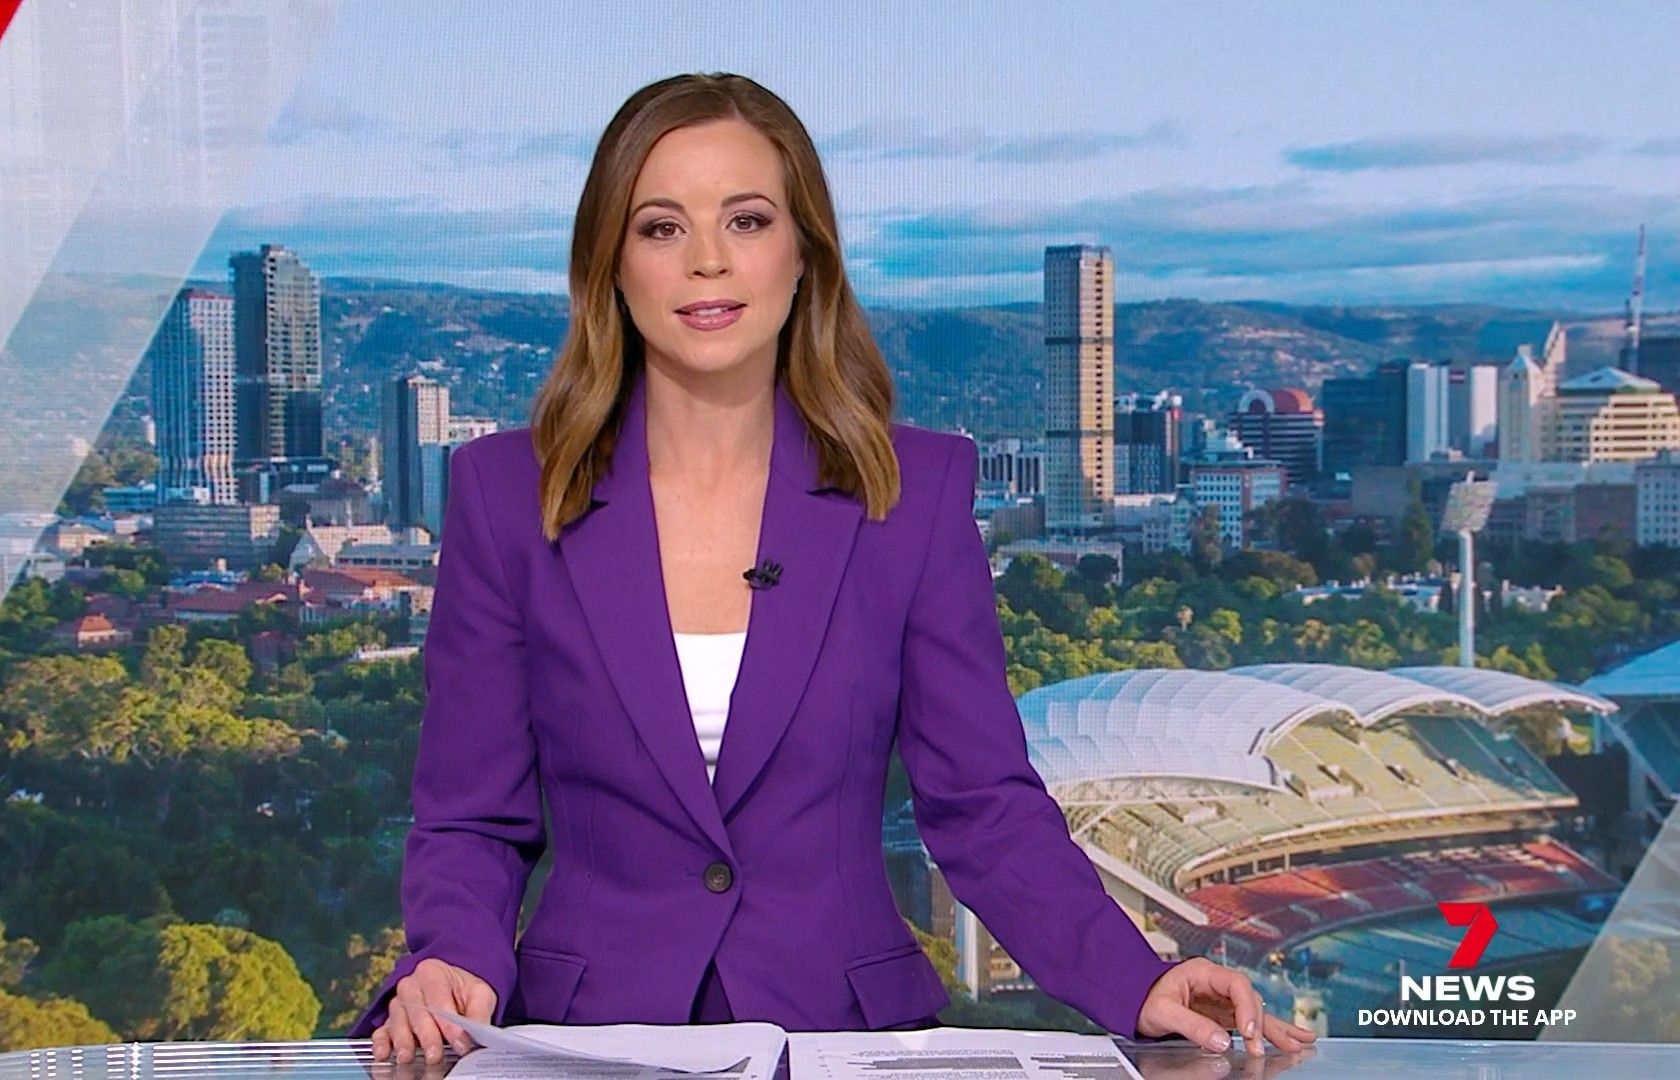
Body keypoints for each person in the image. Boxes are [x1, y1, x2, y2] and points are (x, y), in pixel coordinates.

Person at [353, 71, 1317, 1066]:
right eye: (662, 227)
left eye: (747, 220)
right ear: (611, 263)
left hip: (842, 1040)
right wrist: (453, 958)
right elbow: (472, 818)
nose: (708, 260)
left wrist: (1136, 979)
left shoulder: (912, 493)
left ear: (804, 255)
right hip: (589, 1042)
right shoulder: (508, 495)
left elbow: (981, 805)